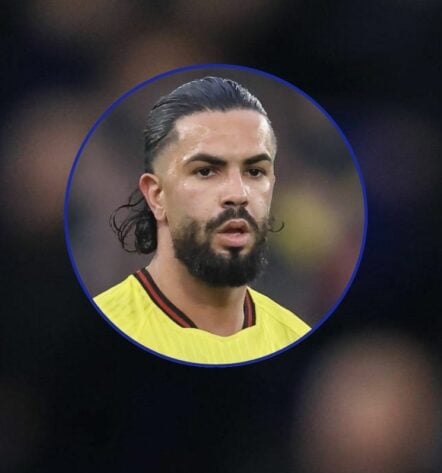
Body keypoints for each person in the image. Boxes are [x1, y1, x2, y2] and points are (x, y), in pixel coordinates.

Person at [93, 76, 309, 365]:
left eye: (254, 171)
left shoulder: (294, 337)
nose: (238, 194)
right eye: (206, 171)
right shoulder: (103, 335)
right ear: (156, 195)